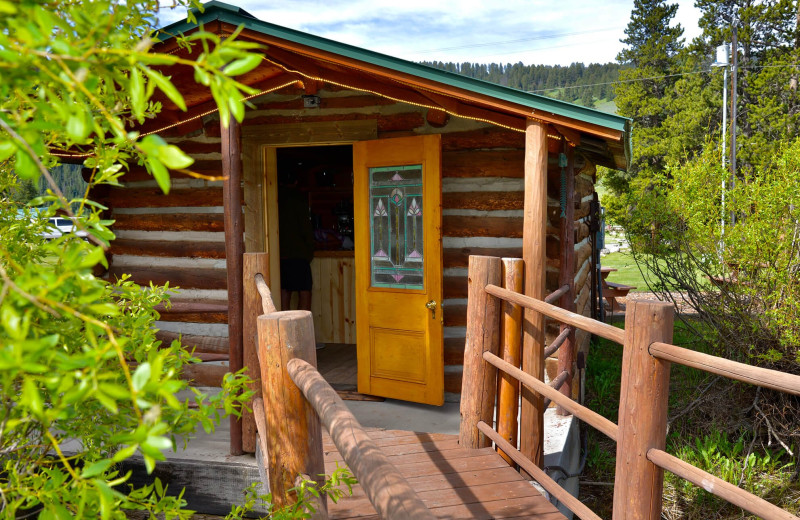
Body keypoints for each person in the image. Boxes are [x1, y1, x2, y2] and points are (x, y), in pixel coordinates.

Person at [278, 170, 314, 311]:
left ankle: (284, 329)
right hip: (298, 254)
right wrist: (309, 251)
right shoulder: (299, 199)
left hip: (280, 254)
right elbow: (306, 229)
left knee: (284, 291)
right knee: (304, 291)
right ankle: (302, 330)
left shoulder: (274, 196)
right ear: (296, 182)